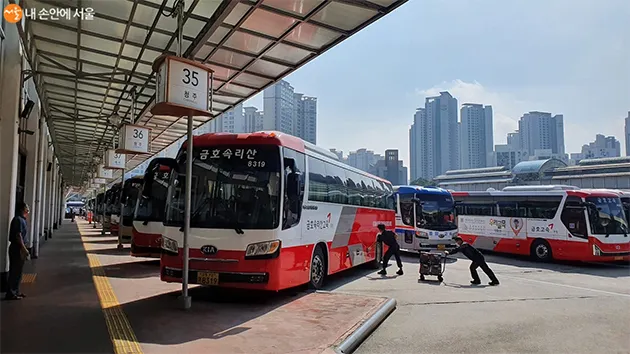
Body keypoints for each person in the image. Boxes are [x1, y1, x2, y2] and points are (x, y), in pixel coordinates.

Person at [6, 202, 30, 300]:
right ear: (23, 208)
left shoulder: (22, 220)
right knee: (14, 271)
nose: (28, 208)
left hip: (19, 247)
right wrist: (24, 249)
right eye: (27, 207)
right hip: (17, 248)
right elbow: (18, 236)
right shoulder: (18, 220)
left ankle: (16, 291)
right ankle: (11, 293)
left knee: (19, 272)